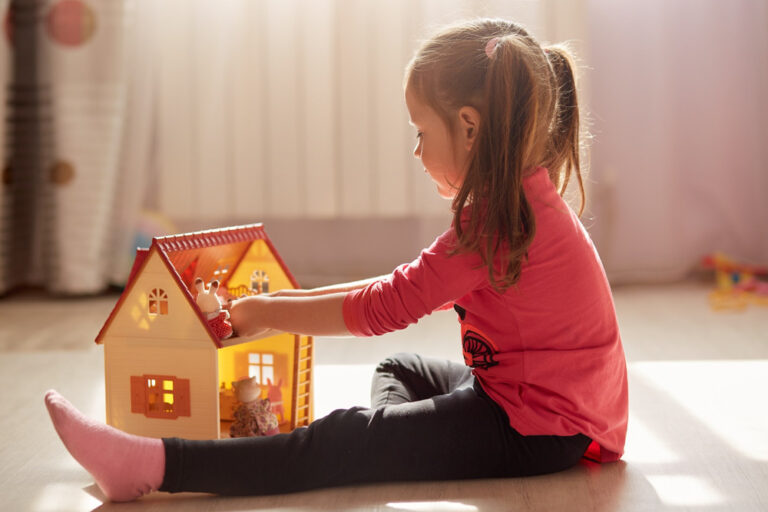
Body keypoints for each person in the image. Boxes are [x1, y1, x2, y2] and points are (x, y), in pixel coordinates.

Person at [44, 18, 627, 502]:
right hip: (532, 400)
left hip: (537, 428)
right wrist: (270, 308)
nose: (416, 148)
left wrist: (271, 311)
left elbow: (381, 307)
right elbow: (393, 289)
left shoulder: (497, 225)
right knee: (400, 369)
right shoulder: (524, 196)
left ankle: (153, 466)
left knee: (345, 435)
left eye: (421, 131)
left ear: (470, 128)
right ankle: (391, 449)